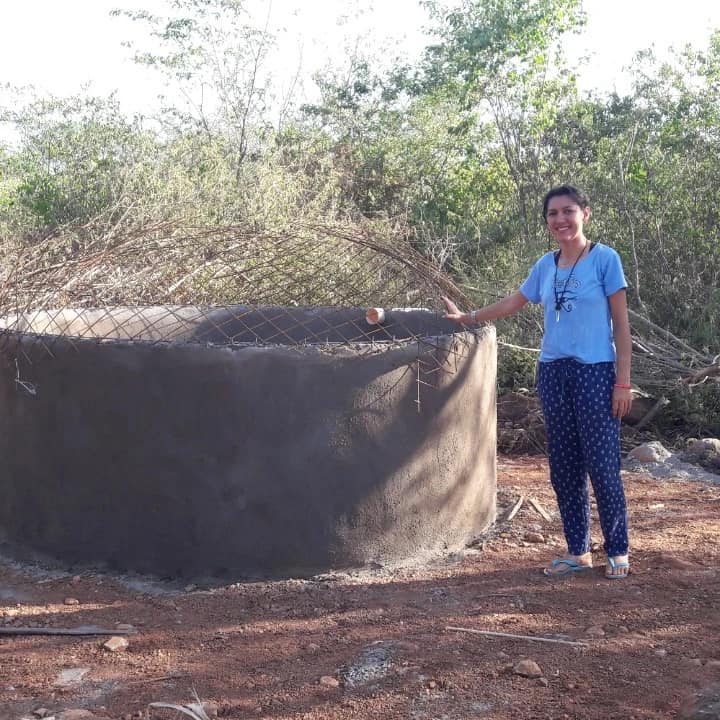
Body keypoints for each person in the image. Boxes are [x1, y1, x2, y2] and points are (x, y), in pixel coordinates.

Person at [442, 184, 633, 579]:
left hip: (595, 372)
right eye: (552, 214)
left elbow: (621, 326)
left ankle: (617, 549)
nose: (560, 220)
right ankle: (578, 551)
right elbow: (514, 302)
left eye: (568, 211)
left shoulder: (605, 259)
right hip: (553, 372)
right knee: (563, 467)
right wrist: (469, 317)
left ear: (584, 213)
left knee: (602, 465)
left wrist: (623, 382)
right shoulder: (546, 265)